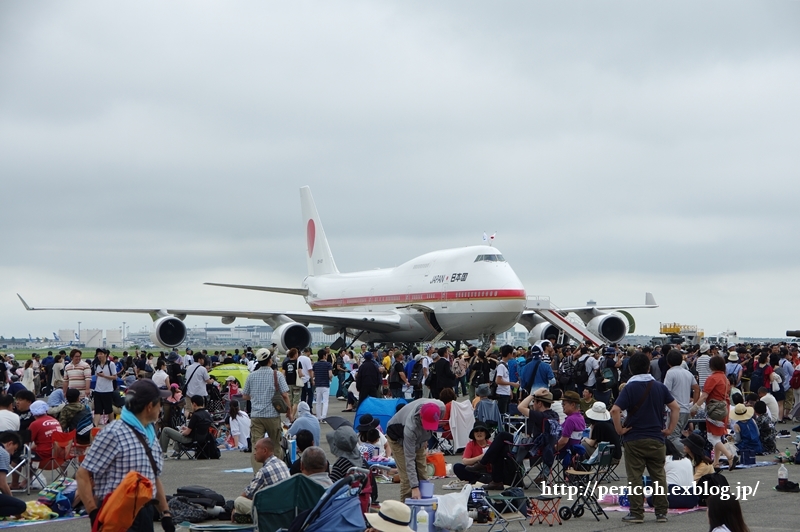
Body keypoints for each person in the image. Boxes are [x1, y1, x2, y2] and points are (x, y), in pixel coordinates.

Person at [76, 379, 174, 532]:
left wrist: (165, 513)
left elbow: (153, 477)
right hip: (118, 513)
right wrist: (93, 512)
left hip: (145, 513)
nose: (161, 408)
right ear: (149, 407)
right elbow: (83, 474)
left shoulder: (149, 433)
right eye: (159, 403)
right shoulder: (113, 433)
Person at [610, 352, 679, 524]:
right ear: (648, 367)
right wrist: (669, 429)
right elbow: (675, 408)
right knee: (659, 476)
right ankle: (661, 512)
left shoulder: (630, 388)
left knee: (635, 477)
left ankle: (636, 513)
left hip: (634, 437)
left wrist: (619, 429)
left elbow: (614, 410)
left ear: (631, 369)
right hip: (656, 437)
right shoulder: (659, 387)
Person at [386, 399, 445, 500]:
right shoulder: (411, 427)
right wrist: (414, 487)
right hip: (397, 437)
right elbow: (410, 460)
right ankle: (406, 511)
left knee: (423, 473)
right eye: (426, 424)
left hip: (418, 439)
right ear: (420, 416)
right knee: (407, 479)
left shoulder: (441, 408)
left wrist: (424, 438)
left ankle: (425, 506)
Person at [243, 348, 290, 468]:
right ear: (270, 360)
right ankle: (277, 470)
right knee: (275, 445)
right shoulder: (277, 375)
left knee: (256, 446)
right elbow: (285, 395)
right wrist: (289, 412)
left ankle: (259, 473)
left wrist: (257, 397)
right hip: (272, 415)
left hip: (256, 416)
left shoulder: (251, 376)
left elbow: (245, 396)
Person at [690, 355, 738, 469]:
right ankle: (716, 463)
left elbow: (704, 395)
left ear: (711, 366)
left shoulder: (712, 378)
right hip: (723, 408)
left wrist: (695, 407)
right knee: (717, 437)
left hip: (714, 410)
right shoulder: (725, 379)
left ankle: (729, 455)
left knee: (712, 437)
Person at [232, 437, 291, 520]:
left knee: (238, 501)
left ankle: (252, 516)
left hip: (273, 512)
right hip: (287, 508)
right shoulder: (282, 463)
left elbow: (248, 494)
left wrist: (235, 508)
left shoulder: (264, 471)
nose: (254, 453)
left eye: (256, 450)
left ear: (265, 451)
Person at [663, 349, 699, 454]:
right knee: (677, 435)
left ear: (668, 362)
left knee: (672, 438)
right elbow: (697, 389)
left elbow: (666, 392)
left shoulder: (670, 373)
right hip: (686, 410)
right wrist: (694, 406)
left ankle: (692, 454)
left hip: (674, 410)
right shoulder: (687, 373)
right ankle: (682, 457)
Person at [450, 422, 493, 486]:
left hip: (488, 471)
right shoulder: (470, 444)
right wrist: (480, 457)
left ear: (486, 433)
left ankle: (480, 480)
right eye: (476, 431)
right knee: (457, 467)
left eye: (481, 430)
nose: (479, 433)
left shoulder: (491, 445)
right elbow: (465, 461)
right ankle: (480, 479)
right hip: (475, 471)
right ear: (473, 434)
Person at [28, 400, 63, 467]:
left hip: (44, 457)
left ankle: (28, 477)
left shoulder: (35, 424)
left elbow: (27, 442)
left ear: (32, 412)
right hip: (59, 456)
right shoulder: (55, 420)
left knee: (22, 456)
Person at [0, 432, 26, 518]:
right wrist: (12, 499)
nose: (12, 454)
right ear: (9, 444)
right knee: (21, 506)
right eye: (14, 450)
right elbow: (2, 484)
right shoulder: (3, 453)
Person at [93, 349, 117, 427]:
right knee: (97, 410)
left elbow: (114, 377)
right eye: (98, 354)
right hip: (97, 390)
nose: (99, 355)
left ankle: (112, 425)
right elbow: (96, 377)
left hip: (108, 390)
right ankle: (95, 427)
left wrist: (104, 376)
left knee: (109, 410)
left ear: (106, 354)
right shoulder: (96, 364)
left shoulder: (111, 364)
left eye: (101, 354)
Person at [494, 346, 518, 415]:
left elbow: (505, 378)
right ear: (509, 354)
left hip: (506, 392)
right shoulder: (501, 366)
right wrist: (512, 384)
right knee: (502, 414)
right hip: (502, 393)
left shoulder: (505, 364)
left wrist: (509, 390)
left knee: (506, 414)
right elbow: (498, 381)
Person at [281, 348, 302, 422]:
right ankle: (292, 417)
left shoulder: (285, 363)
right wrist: (303, 375)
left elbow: (283, 374)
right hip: (296, 384)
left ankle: (289, 415)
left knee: (289, 401)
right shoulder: (298, 363)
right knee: (296, 401)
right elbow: (300, 374)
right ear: (295, 354)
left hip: (288, 384)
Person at [312, 350, 333, 421]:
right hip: (325, 385)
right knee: (325, 401)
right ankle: (324, 417)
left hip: (318, 385)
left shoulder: (315, 364)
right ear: (324, 356)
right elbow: (330, 374)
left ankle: (318, 417)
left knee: (318, 402)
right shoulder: (328, 364)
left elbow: (313, 374)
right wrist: (330, 378)